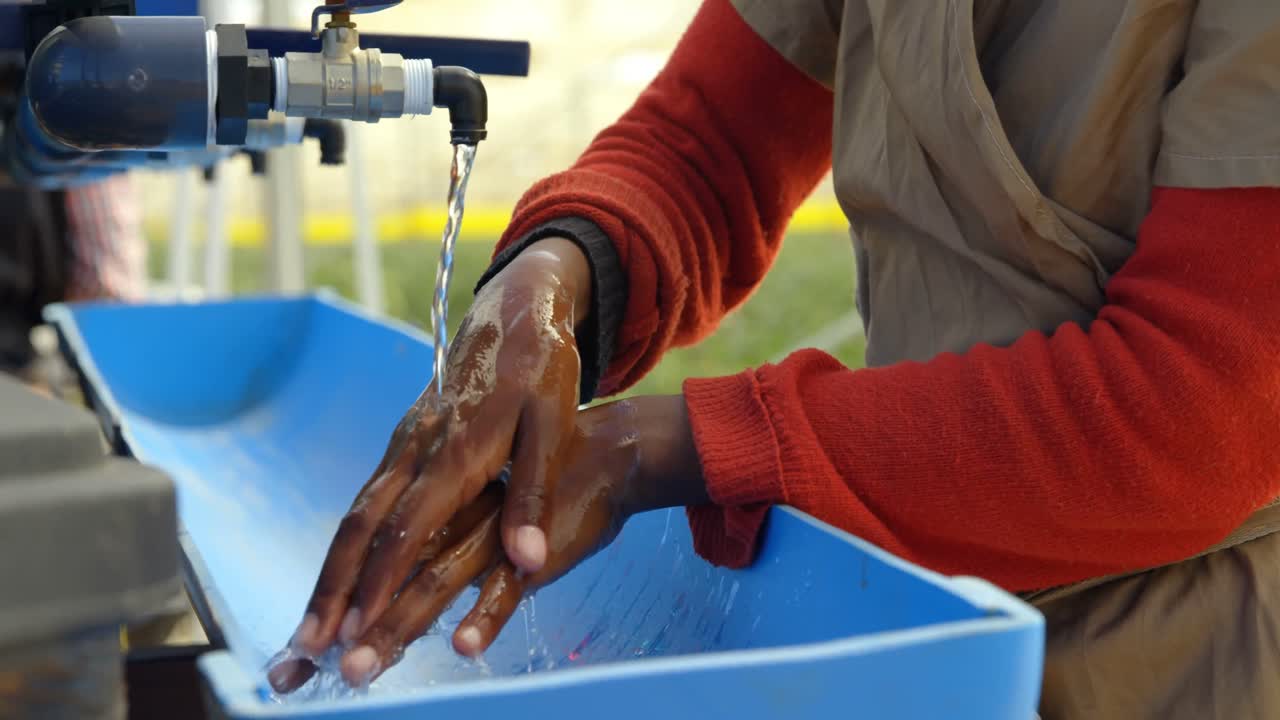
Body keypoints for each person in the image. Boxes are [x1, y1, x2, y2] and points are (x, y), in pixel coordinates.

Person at [271, 1, 1280, 716]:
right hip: (912, 599)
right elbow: (711, 140)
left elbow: (1203, 407)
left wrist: (651, 449)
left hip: (1196, 652)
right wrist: (545, 282)